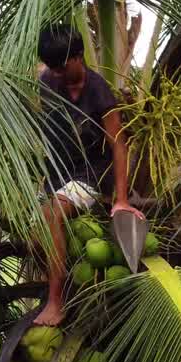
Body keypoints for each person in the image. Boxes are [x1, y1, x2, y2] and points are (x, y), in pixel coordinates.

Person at [33, 24, 143, 327]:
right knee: (33, 237)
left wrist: (120, 200)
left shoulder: (99, 92)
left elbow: (119, 144)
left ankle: (56, 301)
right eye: (50, 67)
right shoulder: (48, 80)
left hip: (91, 173)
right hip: (57, 171)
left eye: (59, 66)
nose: (54, 72)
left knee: (53, 214)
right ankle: (62, 281)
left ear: (78, 57)